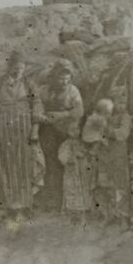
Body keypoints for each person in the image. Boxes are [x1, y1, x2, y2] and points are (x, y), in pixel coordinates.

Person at [0, 52, 44, 221]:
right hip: (5, 128)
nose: (18, 71)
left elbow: (37, 105)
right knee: (6, 164)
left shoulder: (29, 83)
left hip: (24, 127)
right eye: (15, 68)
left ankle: (23, 207)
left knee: (24, 165)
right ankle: (9, 207)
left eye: (21, 68)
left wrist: (35, 129)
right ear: (9, 67)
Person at [37, 59, 84, 211]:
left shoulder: (73, 91)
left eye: (67, 79)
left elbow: (79, 111)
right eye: (61, 78)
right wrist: (42, 116)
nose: (64, 82)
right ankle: (49, 200)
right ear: (54, 77)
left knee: (63, 163)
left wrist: (62, 115)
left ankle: (63, 202)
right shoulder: (44, 90)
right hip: (47, 130)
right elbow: (36, 105)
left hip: (65, 131)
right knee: (48, 163)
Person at [92, 87, 132, 227]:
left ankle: (123, 217)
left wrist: (107, 131)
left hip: (118, 156)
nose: (122, 106)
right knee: (103, 185)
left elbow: (123, 134)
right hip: (104, 156)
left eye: (124, 103)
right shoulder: (104, 116)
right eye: (118, 102)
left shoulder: (125, 117)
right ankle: (106, 214)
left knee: (120, 186)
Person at [58, 119, 94, 225]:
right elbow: (62, 157)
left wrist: (85, 155)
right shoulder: (66, 144)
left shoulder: (82, 143)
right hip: (72, 172)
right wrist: (73, 156)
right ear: (67, 131)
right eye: (72, 130)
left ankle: (83, 216)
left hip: (82, 172)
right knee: (71, 192)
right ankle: (70, 216)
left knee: (83, 192)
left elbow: (87, 154)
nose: (75, 132)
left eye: (77, 129)